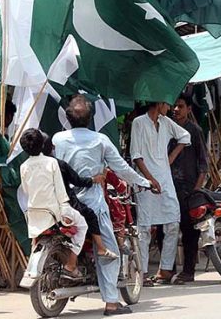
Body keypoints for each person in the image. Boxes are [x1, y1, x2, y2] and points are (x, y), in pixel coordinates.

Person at [53, 95, 151, 316]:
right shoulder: (100, 140)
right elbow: (122, 169)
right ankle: (111, 304)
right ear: (90, 119)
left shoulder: (58, 139)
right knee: (108, 252)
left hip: (63, 202)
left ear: (68, 118)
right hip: (92, 204)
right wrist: (145, 182)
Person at [131, 101, 190, 285]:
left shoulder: (166, 122)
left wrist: (169, 158)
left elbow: (185, 136)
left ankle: (165, 270)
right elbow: (136, 155)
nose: (170, 108)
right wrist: (149, 179)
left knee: (173, 222)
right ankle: (142, 273)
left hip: (165, 179)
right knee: (144, 228)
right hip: (144, 182)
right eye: (167, 104)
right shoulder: (139, 122)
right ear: (159, 103)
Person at [19, 128, 87, 279]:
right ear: (42, 144)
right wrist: (65, 211)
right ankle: (71, 265)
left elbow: (26, 190)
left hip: (34, 214)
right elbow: (61, 191)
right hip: (56, 213)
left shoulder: (23, 166)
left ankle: (30, 267)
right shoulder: (51, 162)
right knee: (83, 225)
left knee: (34, 240)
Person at [42, 133, 118, 259]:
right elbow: (77, 181)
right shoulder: (59, 165)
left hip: (42, 208)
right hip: (65, 206)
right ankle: (100, 248)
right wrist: (94, 180)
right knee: (90, 216)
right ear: (52, 147)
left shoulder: (32, 166)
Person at [171, 94, 208, 282]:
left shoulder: (194, 131)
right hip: (170, 189)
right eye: (174, 106)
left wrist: (196, 190)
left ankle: (188, 271)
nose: (176, 110)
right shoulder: (166, 130)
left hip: (188, 189)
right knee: (166, 231)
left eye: (180, 106)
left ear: (188, 109)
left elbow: (203, 163)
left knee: (189, 233)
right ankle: (167, 270)